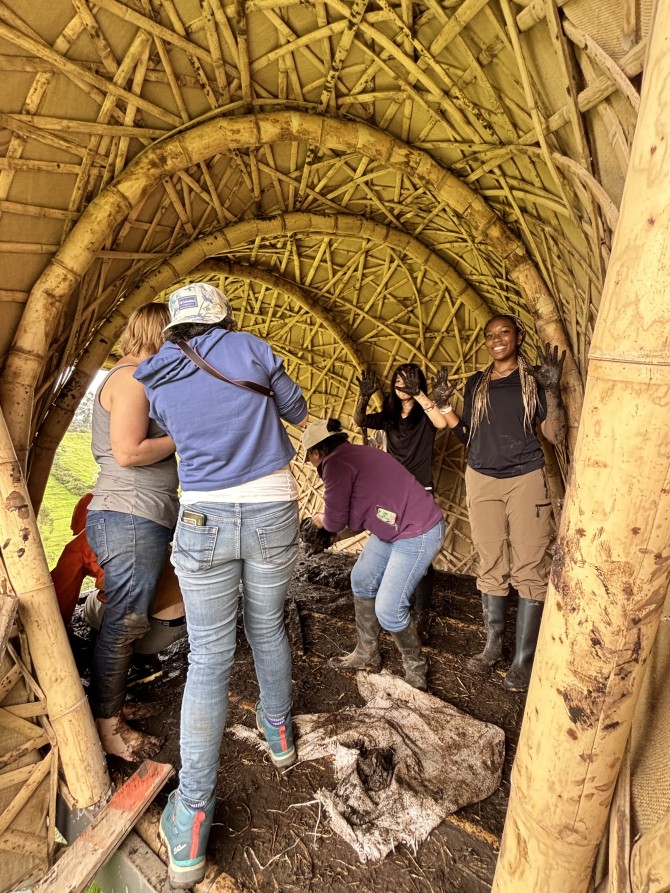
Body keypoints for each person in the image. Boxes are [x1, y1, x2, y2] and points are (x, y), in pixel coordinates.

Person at [134, 281, 308, 889]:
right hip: (271, 508)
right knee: (267, 627)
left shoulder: (157, 371)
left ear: (174, 326)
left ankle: (190, 821)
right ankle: (279, 734)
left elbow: (172, 427)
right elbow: (297, 411)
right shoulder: (252, 348)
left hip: (202, 515)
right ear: (222, 318)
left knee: (209, 658)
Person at [435, 314, 567, 692]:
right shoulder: (476, 383)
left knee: (530, 565)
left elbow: (555, 434)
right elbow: (466, 434)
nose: (496, 339)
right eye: (490, 335)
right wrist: (443, 405)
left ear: (518, 336)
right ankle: (492, 647)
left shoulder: (533, 379)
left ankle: (523, 660)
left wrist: (552, 390)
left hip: (525, 478)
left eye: (504, 332)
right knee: (490, 560)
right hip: (481, 478)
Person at [86, 303, 179, 760]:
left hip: (137, 515)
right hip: (130, 515)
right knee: (125, 622)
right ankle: (107, 727)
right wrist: (183, 437)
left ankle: (111, 705)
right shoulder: (133, 380)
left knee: (130, 617)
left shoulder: (136, 378)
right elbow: (128, 452)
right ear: (161, 335)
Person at [302, 417, 445, 692]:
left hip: (417, 531)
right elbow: (357, 517)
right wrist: (332, 533)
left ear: (317, 452)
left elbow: (334, 520)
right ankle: (367, 653)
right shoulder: (356, 455)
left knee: (389, 610)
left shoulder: (335, 464)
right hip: (395, 527)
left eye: (310, 458)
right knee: (362, 579)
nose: (312, 464)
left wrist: (319, 522)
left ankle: (416, 668)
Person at [352, 363, 448, 637]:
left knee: (420, 555)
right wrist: (363, 397)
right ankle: (391, 604)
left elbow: (442, 422)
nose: (403, 384)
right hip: (391, 495)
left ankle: (421, 614)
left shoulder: (426, 416)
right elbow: (360, 420)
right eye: (398, 380)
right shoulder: (390, 417)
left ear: (419, 384)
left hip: (419, 493)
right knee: (389, 541)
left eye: (410, 380)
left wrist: (419, 395)